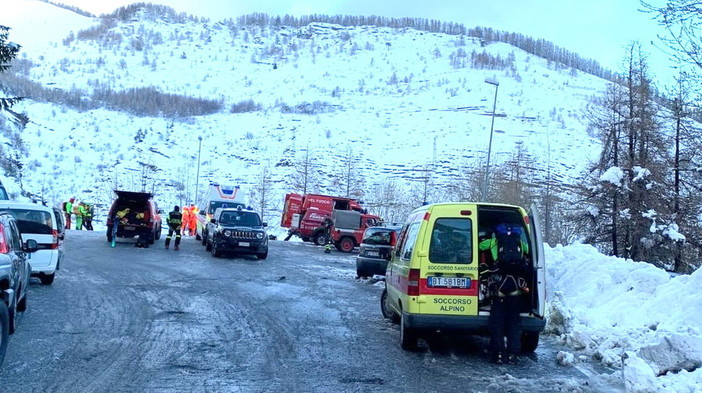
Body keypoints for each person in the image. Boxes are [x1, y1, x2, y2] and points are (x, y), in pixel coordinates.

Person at [479, 224, 530, 365]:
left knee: (497, 324)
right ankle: (513, 355)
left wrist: (487, 239)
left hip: (499, 289)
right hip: (515, 290)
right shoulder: (520, 243)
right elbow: (529, 251)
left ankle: (498, 354)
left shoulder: (494, 242)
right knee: (514, 324)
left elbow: (480, 247)